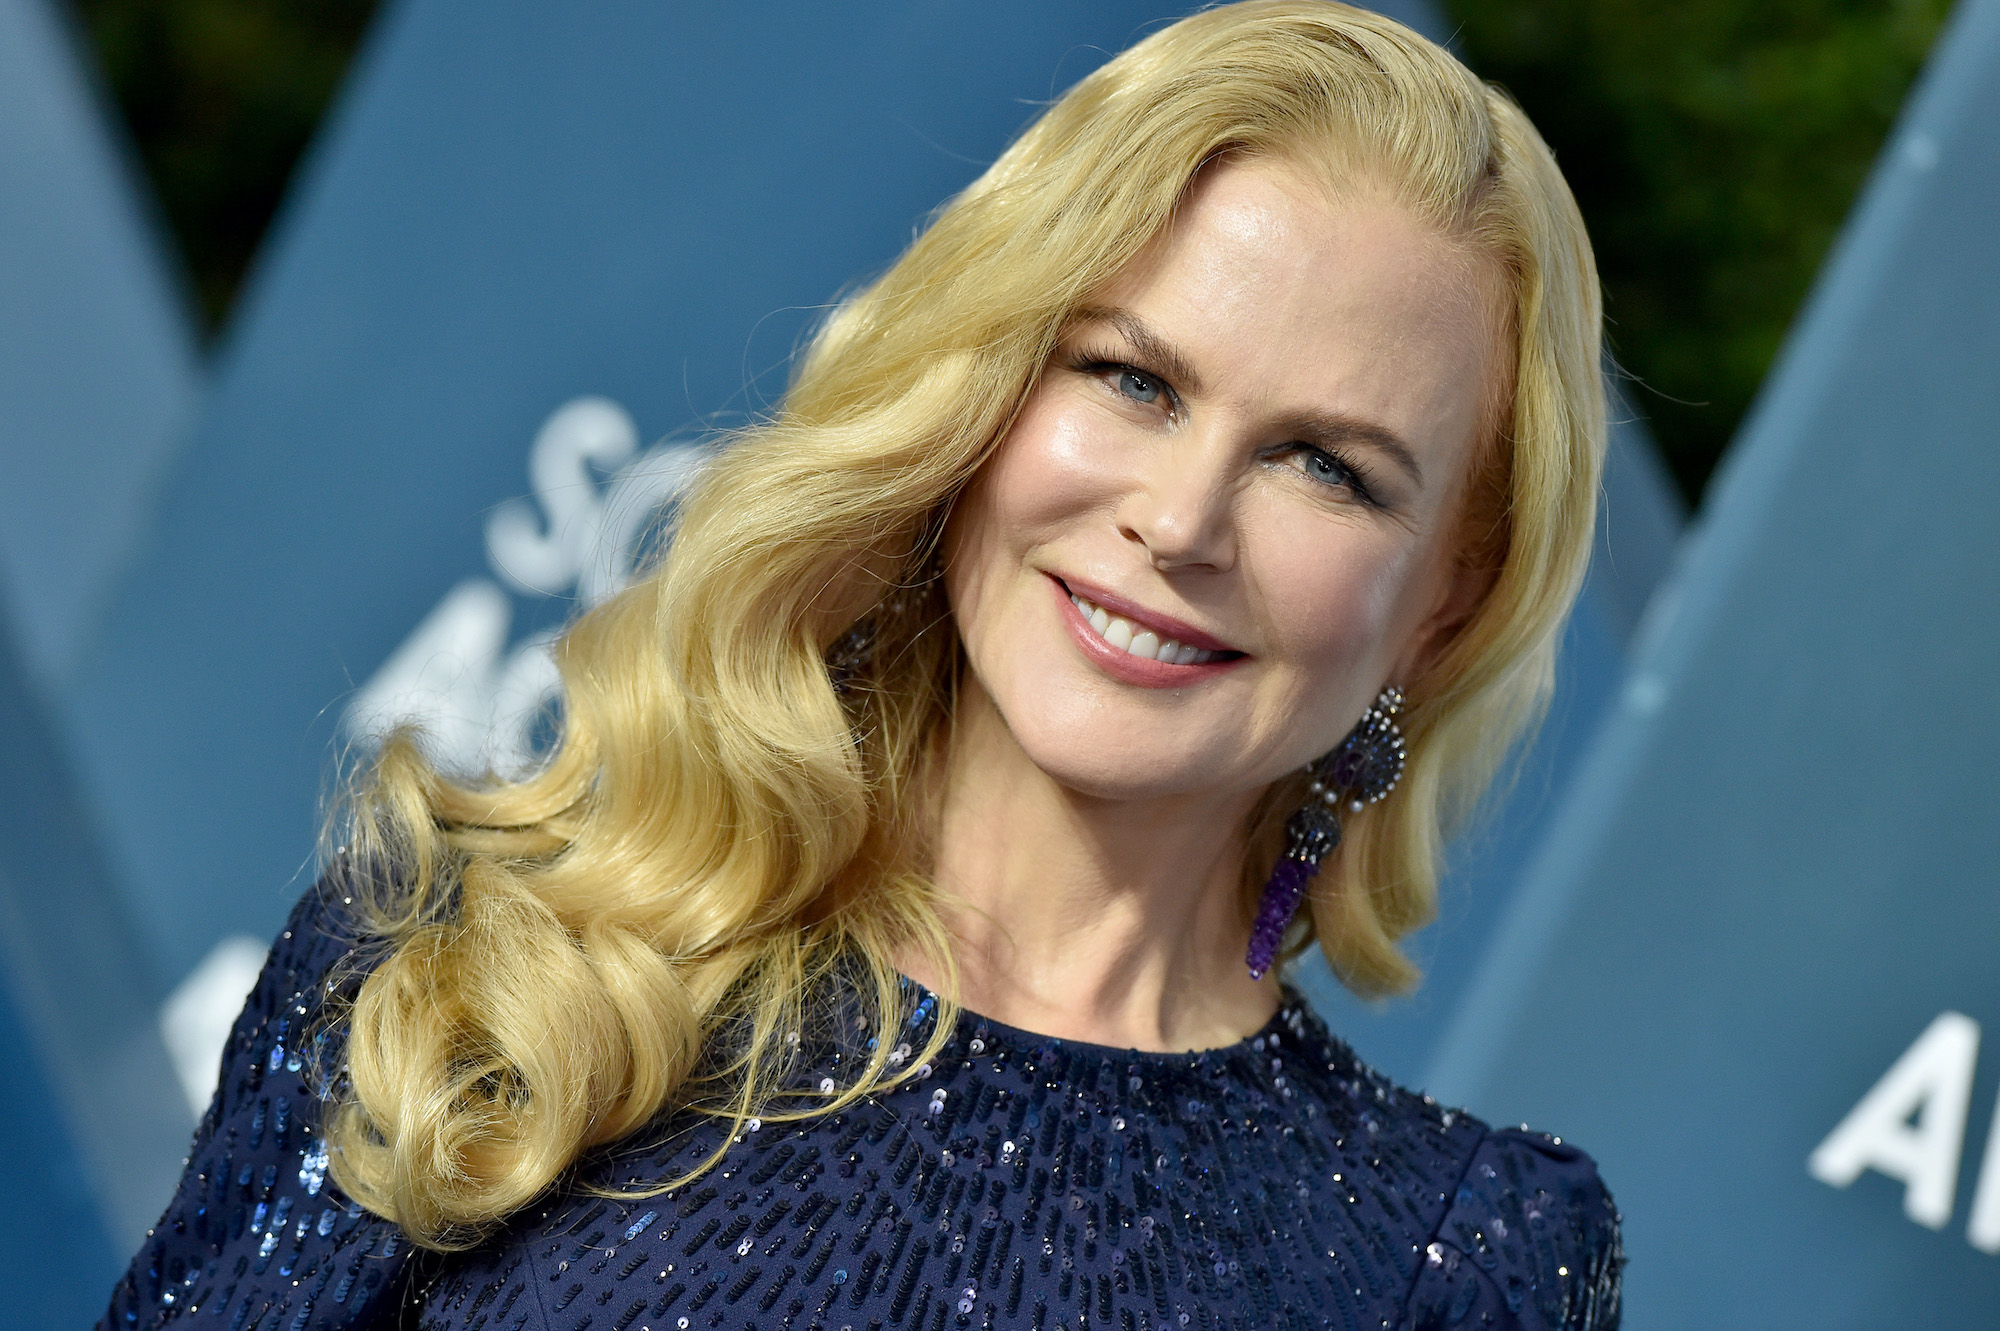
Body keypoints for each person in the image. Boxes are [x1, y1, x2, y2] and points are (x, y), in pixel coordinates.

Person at [103, 3, 1622, 1327]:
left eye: (1325, 467)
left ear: (1447, 599)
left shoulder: (1458, 1260)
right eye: (1132, 378)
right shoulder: (471, 959)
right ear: (981, 390)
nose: (1179, 521)